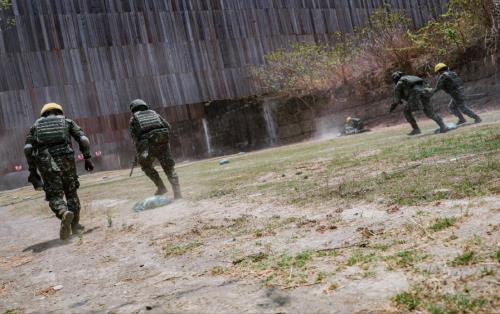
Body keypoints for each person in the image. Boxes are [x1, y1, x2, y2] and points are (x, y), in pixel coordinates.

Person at [24, 103, 94, 240]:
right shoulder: (67, 121)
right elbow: (83, 139)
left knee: (54, 195)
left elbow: (27, 148)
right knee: (71, 192)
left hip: (46, 162)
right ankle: (74, 225)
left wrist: (32, 171)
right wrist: (87, 158)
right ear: (59, 111)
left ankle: (63, 213)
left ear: (44, 114)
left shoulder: (35, 126)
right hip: (66, 159)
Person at [128, 99, 182, 199]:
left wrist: (140, 152)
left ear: (133, 109)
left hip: (148, 147)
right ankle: (177, 193)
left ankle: (161, 187)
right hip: (163, 144)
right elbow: (168, 126)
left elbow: (134, 138)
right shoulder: (155, 114)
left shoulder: (133, 119)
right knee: (169, 168)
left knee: (146, 166)